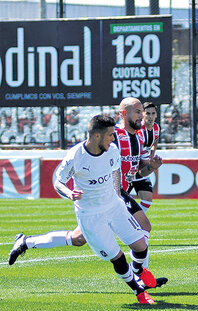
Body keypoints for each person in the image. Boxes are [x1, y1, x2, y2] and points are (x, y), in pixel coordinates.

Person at [8, 98, 164, 273]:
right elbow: (90, 155)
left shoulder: (139, 137)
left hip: (114, 197)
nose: (142, 115)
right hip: (109, 195)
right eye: (138, 111)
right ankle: (141, 276)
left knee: (77, 238)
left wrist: (151, 166)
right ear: (124, 113)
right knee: (144, 225)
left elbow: (139, 173)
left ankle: (25, 242)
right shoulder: (112, 137)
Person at [129, 102, 161, 213]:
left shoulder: (156, 127)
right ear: (142, 114)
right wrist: (150, 164)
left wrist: (152, 153)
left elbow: (155, 140)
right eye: (147, 113)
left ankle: (134, 223)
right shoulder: (139, 131)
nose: (150, 116)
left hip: (142, 167)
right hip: (130, 168)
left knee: (147, 199)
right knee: (119, 201)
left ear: (156, 115)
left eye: (153, 113)